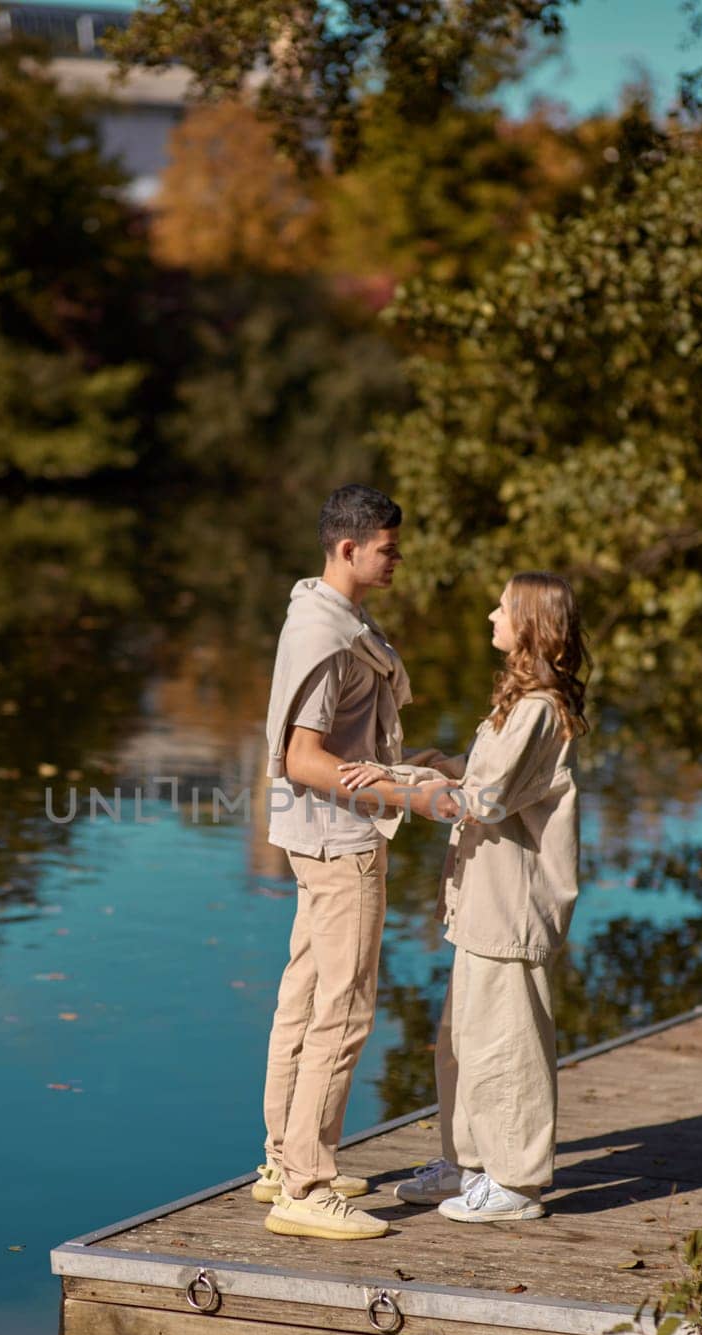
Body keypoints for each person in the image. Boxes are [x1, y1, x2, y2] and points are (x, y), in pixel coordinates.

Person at [340, 571, 589, 1223]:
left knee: (509, 1043)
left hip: (512, 903)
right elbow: (481, 775)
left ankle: (517, 1183)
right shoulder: (522, 700)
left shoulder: (539, 707)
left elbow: (483, 801)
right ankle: (467, 1163)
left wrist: (398, 783)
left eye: (502, 607)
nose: (489, 615)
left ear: (530, 623)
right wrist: (435, 763)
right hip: (482, 900)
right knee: (464, 1039)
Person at [257, 484, 447, 1243]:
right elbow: (302, 758)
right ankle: (304, 1186)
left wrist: (424, 765)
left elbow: (341, 745)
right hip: (340, 838)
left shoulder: (325, 614)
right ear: (348, 549)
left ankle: (283, 1160)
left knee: (303, 997)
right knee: (344, 1007)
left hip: (316, 835)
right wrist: (406, 794)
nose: (397, 558)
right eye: (389, 548)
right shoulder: (327, 638)